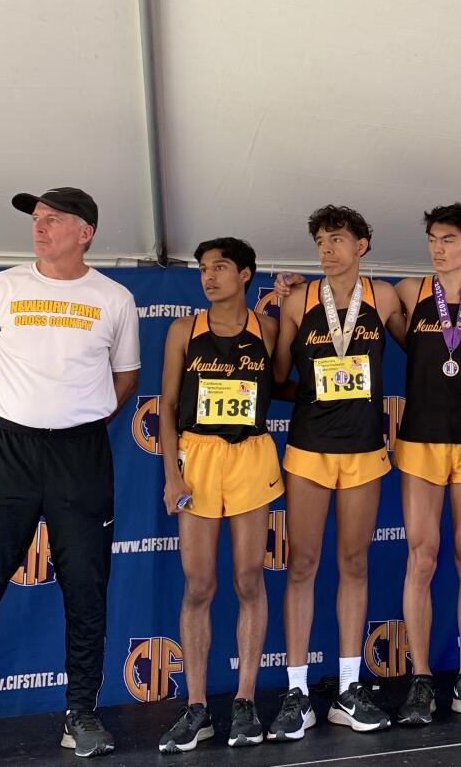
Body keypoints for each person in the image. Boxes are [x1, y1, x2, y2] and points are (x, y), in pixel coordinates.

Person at [0, 188, 139, 765]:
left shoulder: (115, 298)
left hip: (79, 457)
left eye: (54, 220)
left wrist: (74, 423)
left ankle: (80, 714)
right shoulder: (0, 287)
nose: (41, 227)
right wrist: (17, 418)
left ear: (86, 232)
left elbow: (124, 379)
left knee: (85, 591)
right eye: (37, 219)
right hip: (6, 453)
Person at [267, 206, 403, 741]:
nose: (327, 248)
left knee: (353, 562)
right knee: (301, 563)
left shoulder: (385, 296)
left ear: (362, 245)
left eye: (338, 238)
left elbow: (426, 349)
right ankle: (297, 692)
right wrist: (276, 312)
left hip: (367, 448)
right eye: (321, 239)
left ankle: (348, 687)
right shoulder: (299, 299)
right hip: (309, 447)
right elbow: (279, 374)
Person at [155, 238, 282, 752]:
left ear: (246, 273)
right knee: (199, 585)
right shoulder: (183, 330)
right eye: (204, 269)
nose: (209, 277)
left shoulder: (268, 330)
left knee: (250, 579)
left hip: (251, 455)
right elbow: (165, 407)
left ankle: (246, 702)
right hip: (198, 459)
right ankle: (197, 707)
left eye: (220, 268)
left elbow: (288, 382)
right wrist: (172, 475)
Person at [391, 204, 461, 724]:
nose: (438, 248)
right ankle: (419, 680)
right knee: (422, 557)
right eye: (433, 238)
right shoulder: (410, 292)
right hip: (419, 442)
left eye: (449, 239)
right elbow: (347, 307)